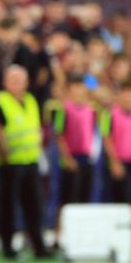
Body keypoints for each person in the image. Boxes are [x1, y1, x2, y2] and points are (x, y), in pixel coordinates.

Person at [0, 65, 48, 260]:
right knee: (8, 207)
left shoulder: (31, 101)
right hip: (11, 163)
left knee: (34, 206)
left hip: (31, 160)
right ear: (5, 82)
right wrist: (4, 154)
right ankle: (8, 248)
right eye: (13, 80)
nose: (17, 84)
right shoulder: (1, 103)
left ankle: (39, 246)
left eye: (20, 79)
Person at [54, 78, 96, 209]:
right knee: (67, 197)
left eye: (81, 89)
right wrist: (67, 158)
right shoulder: (63, 110)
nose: (79, 92)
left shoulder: (91, 110)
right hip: (70, 158)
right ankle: (62, 226)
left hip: (86, 157)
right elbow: (59, 135)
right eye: (75, 89)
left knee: (84, 196)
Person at [103, 84, 131, 204]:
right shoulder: (109, 114)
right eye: (125, 95)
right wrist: (114, 162)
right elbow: (106, 138)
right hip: (118, 163)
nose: (128, 99)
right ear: (119, 96)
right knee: (118, 198)